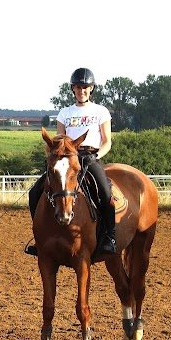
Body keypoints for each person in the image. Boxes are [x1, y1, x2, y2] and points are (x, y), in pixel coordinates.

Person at [25, 67, 116, 256]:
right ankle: (39, 238)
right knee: (35, 192)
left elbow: (107, 141)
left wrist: (96, 156)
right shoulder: (65, 113)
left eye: (85, 87)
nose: (81, 91)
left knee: (105, 192)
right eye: (77, 87)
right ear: (72, 89)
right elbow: (59, 140)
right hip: (66, 159)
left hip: (90, 156)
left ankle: (109, 236)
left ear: (91, 89)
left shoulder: (101, 111)